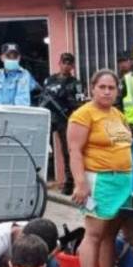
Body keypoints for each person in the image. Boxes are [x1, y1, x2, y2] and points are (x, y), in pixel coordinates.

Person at [68, 69, 133, 267]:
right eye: (102, 87)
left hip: (122, 182)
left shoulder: (118, 115)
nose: (107, 91)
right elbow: (75, 151)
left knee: (110, 235)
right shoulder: (83, 115)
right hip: (98, 182)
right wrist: (80, 183)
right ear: (92, 88)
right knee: (94, 234)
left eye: (111, 88)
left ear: (117, 91)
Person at [37, 52, 85, 195]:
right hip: (49, 118)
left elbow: (80, 103)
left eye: (69, 63)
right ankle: (40, 178)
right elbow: (42, 98)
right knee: (41, 147)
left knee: (68, 152)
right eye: (64, 62)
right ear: (59, 63)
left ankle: (69, 184)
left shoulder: (75, 83)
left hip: (66, 119)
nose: (66, 66)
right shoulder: (49, 80)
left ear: (73, 66)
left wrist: (69, 104)